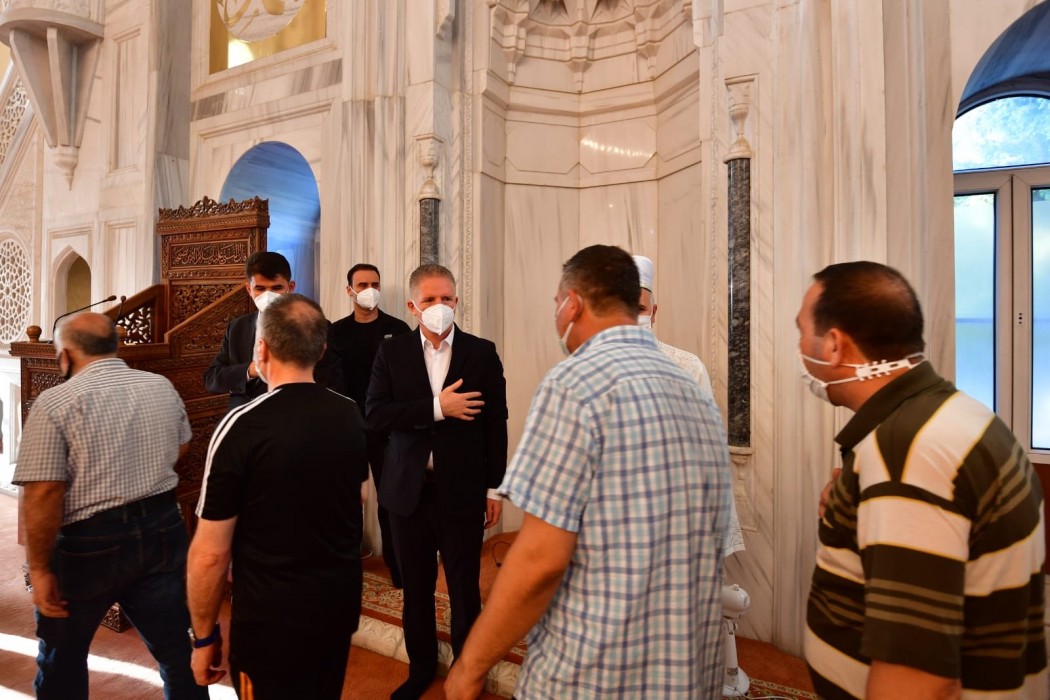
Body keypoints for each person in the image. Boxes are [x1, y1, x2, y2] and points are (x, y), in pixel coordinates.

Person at [445, 245, 732, 700]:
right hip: (687, 669)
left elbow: (540, 560)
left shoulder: (575, 384)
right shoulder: (693, 388)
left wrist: (469, 666)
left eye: (556, 303)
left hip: (596, 672)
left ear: (572, 303)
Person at [799, 261, 1046, 698]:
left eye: (801, 331)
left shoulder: (908, 450)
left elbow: (919, 675)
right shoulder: (951, 411)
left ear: (833, 345)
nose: (799, 346)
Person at [13, 312, 206, 700]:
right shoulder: (160, 386)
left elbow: (44, 492)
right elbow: (182, 443)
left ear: (65, 355)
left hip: (88, 543)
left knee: (63, 660)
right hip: (162, 528)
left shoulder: (55, 402)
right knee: (175, 653)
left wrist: (40, 568)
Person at [188, 293, 368, 699]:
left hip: (270, 619)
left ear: (262, 348)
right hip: (335, 606)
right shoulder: (349, 413)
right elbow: (358, 496)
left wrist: (203, 636)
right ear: (321, 350)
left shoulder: (241, 425)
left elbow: (209, 554)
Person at [366, 263, 508, 700]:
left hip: (462, 490)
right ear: (413, 306)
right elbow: (375, 414)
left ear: (456, 301)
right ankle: (421, 669)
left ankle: (467, 670)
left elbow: (495, 424)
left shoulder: (481, 352)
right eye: (429, 299)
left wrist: (494, 487)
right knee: (417, 587)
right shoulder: (392, 352)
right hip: (408, 490)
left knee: (464, 587)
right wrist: (436, 408)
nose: (439, 306)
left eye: (446, 298)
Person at [331, 263, 411, 586]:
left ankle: (398, 566)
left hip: (386, 429)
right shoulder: (335, 333)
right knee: (346, 500)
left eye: (375, 284)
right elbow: (331, 383)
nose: (369, 290)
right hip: (348, 429)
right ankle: (346, 568)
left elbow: (406, 381)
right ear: (349, 290)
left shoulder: (398, 329)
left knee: (390, 500)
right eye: (362, 285)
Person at [204, 251, 342, 411]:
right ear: (249, 289)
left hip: (293, 414)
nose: (267, 295)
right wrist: (251, 370)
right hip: (242, 416)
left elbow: (331, 384)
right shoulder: (237, 327)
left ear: (290, 287)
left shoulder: (313, 325)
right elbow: (212, 378)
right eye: (260, 288)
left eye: (276, 288)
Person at [632, 254, 714, 399]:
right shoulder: (598, 367)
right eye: (623, 310)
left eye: (639, 309)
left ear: (653, 313)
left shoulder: (690, 368)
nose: (630, 317)